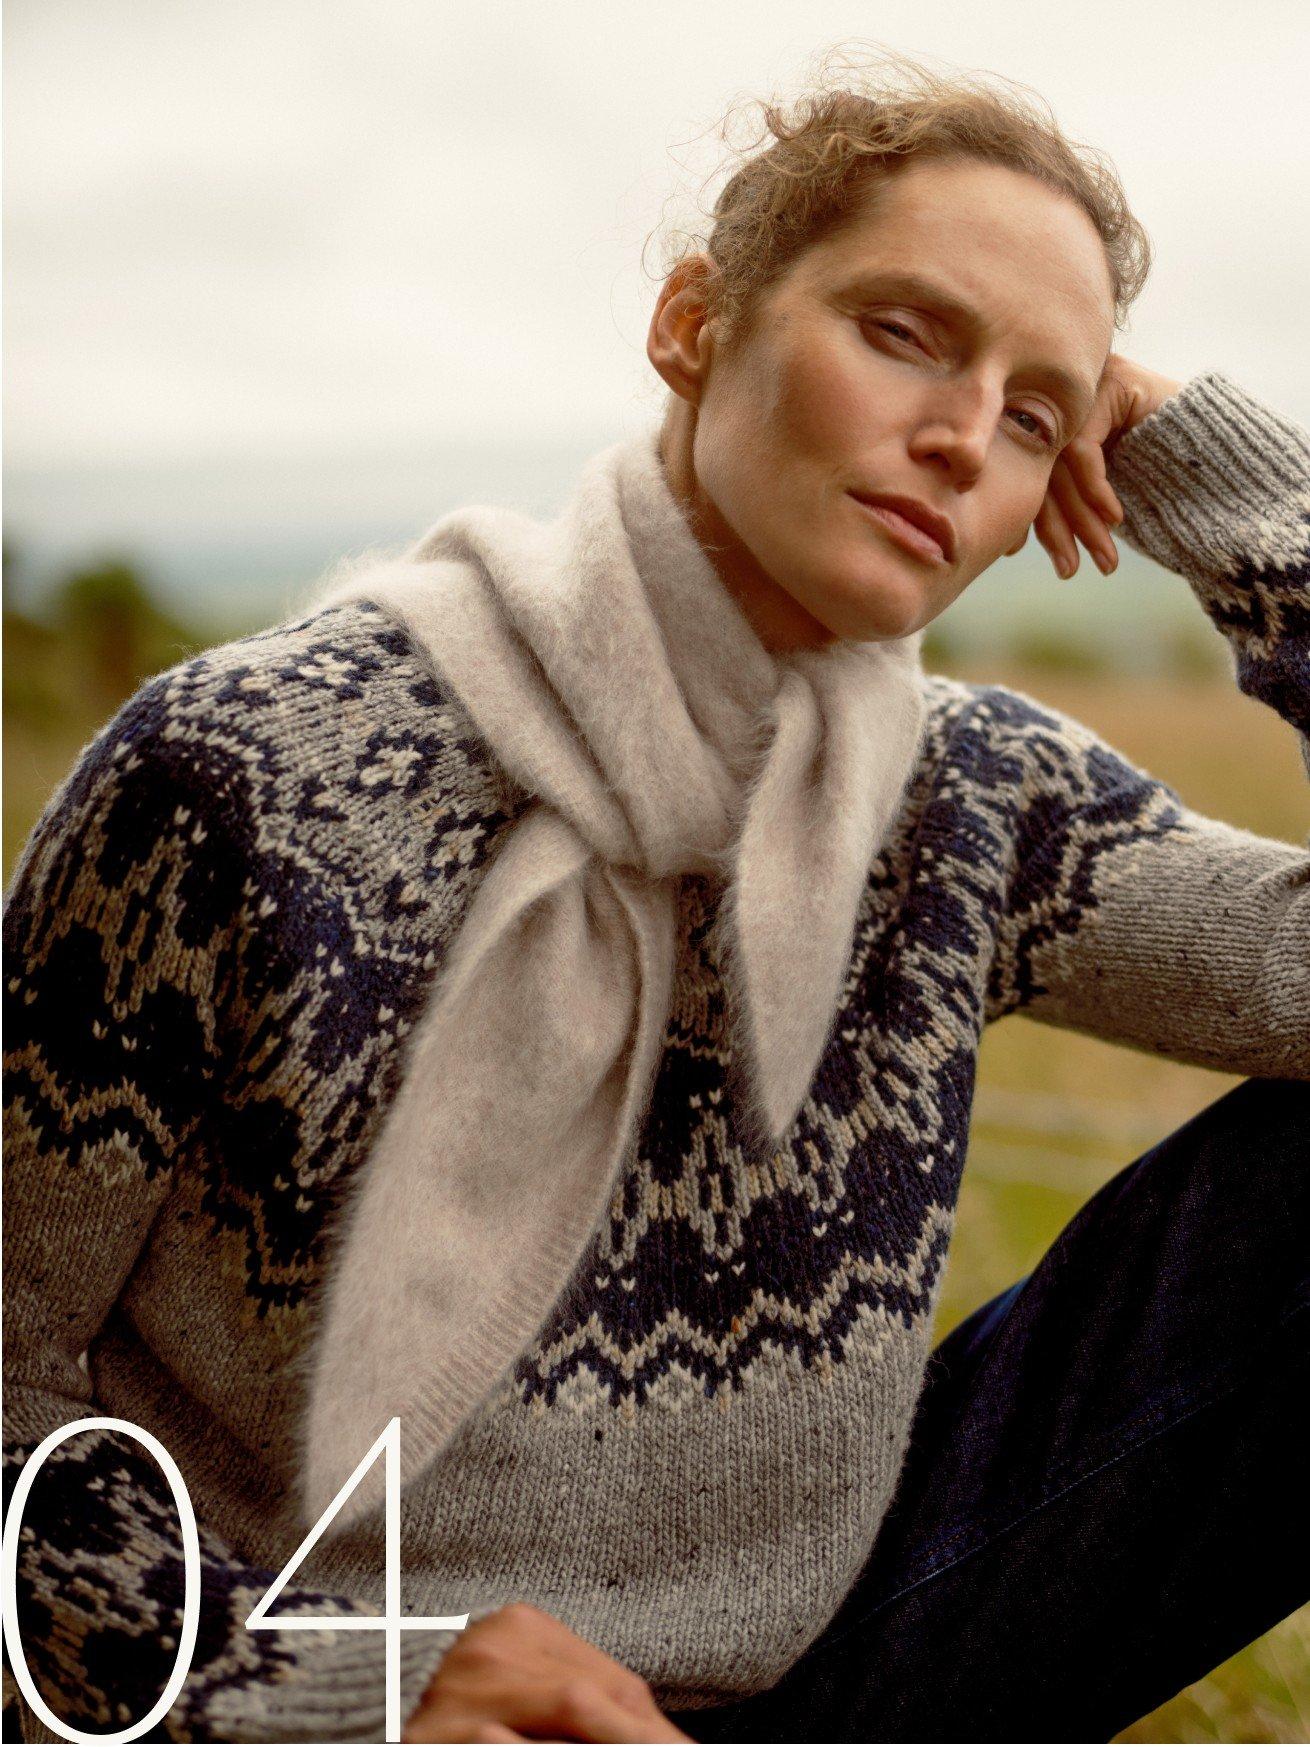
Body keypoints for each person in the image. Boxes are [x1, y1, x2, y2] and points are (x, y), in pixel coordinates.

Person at [4, 46, 1307, 1746]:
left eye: (1036, 412)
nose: (958, 435)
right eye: (903, 332)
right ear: (695, 322)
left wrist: (1240, 498)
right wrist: (333, 1686)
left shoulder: (978, 807)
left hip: (834, 1677)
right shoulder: (238, 772)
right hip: (312, 1700)